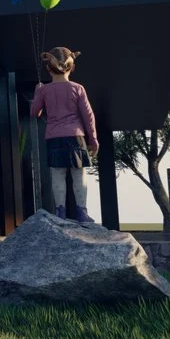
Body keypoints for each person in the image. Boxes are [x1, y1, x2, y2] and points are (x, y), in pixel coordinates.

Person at [29, 47, 98, 223]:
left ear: (48, 68)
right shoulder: (78, 88)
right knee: (79, 174)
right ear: (71, 67)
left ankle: (60, 211)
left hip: (53, 137)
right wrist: (93, 140)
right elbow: (88, 116)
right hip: (76, 136)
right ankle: (82, 212)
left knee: (57, 175)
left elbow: (34, 112)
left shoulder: (44, 90)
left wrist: (37, 93)